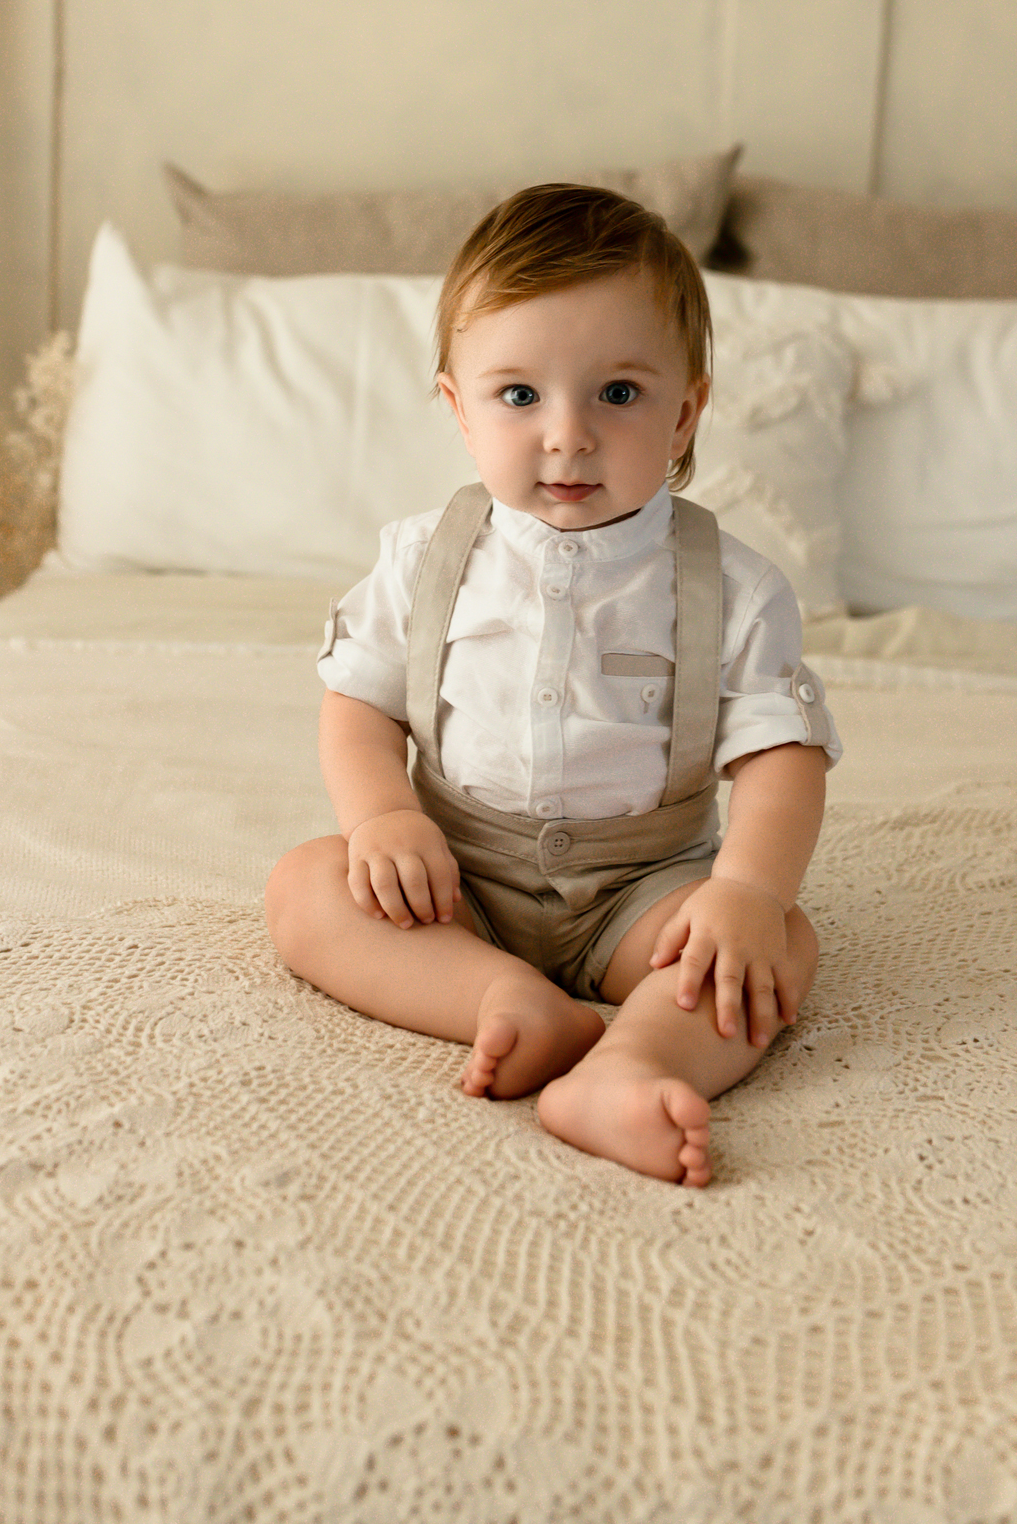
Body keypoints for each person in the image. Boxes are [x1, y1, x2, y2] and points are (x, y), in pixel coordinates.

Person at [265, 183, 838, 1184]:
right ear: (459, 408)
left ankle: (627, 1067)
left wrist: (744, 891)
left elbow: (781, 757)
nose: (567, 434)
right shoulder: (421, 559)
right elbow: (359, 704)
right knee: (307, 887)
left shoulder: (735, 588)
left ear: (684, 412)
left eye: (617, 393)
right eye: (520, 395)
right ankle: (502, 997)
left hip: (642, 892)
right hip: (455, 877)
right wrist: (383, 818)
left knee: (777, 943)